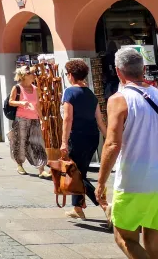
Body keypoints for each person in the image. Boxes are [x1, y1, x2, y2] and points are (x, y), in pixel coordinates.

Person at [97, 48, 158, 257]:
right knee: (156, 244)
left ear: (118, 71)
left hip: (135, 181)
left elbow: (112, 144)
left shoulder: (118, 99)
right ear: (143, 69)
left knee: (124, 238)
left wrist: (100, 182)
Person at [59, 59, 107, 219]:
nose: (67, 77)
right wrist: (108, 137)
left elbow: (67, 119)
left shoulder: (70, 92)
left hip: (77, 137)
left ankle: (105, 206)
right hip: (93, 137)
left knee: (77, 174)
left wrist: (64, 141)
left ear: (71, 75)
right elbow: (99, 120)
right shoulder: (91, 94)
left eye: (67, 74)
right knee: (80, 172)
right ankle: (78, 208)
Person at [8, 66, 49, 177]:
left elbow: (38, 106)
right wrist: (21, 103)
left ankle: (41, 170)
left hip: (34, 119)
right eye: (32, 73)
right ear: (24, 76)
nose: (34, 75)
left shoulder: (35, 89)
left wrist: (42, 119)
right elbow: (10, 102)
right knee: (20, 142)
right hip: (21, 119)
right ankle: (20, 164)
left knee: (38, 143)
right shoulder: (17, 88)